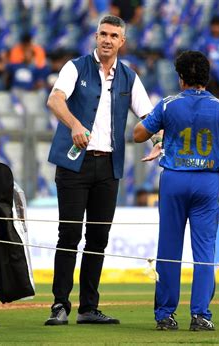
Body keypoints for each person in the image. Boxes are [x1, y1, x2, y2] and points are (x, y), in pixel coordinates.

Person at [45, 15, 156, 326]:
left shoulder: (129, 77)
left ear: (122, 42)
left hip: (108, 165)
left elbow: (149, 114)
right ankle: (59, 304)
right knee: (68, 235)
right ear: (95, 37)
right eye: (103, 34)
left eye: (114, 36)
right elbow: (55, 100)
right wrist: (75, 124)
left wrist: (159, 138)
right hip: (74, 164)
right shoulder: (74, 67)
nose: (107, 40)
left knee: (98, 239)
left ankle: (88, 308)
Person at [133, 50, 219, 331]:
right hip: (207, 183)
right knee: (204, 250)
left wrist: (161, 135)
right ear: (206, 78)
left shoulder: (168, 105)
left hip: (174, 180)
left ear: (180, 78)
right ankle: (201, 315)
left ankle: (165, 316)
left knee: (169, 248)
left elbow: (137, 134)